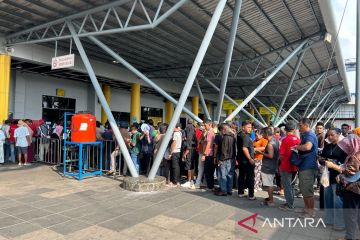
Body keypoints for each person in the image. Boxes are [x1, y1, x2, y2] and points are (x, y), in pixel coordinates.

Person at [326, 134, 360, 239]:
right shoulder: (354, 154)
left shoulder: (356, 155)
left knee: (350, 214)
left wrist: (334, 167)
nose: (345, 149)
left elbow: (350, 172)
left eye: (347, 146)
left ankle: (350, 237)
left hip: (353, 189)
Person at [318, 128, 346, 231]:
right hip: (327, 176)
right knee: (328, 199)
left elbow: (346, 163)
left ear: (339, 134)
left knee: (338, 201)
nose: (329, 137)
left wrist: (334, 163)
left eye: (332, 135)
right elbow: (322, 157)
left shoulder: (344, 147)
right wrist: (321, 160)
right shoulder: (328, 146)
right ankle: (329, 219)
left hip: (338, 177)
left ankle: (340, 223)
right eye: (328, 135)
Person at [294, 118, 318, 217]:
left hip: (308, 167)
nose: (299, 127)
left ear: (306, 125)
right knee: (304, 189)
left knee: (307, 190)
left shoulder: (309, 135)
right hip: (304, 166)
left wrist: (296, 147)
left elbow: (307, 147)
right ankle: (306, 208)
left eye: (300, 125)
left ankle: (311, 212)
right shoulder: (306, 135)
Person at [278, 121, 300, 211]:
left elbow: (281, 155)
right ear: (294, 129)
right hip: (295, 166)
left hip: (286, 166)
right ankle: (290, 202)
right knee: (292, 186)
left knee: (287, 186)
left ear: (285, 130)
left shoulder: (285, 140)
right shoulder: (298, 139)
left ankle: (290, 205)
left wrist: (279, 163)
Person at [260, 127, 280, 206]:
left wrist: (261, 153)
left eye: (263, 133)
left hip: (268, 166)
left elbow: (270, 155)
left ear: (266, 134)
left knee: (269, 184)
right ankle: (270, 198)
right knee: (269, 183)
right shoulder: (275, 140)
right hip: (273, 165)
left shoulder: (270, 144)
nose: (262, 135)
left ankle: (271, 201)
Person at [215, 123, 236, 196]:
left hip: (225, 159)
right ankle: (229, 190)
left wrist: (221, 159)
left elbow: (224, 150)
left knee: (223, 175)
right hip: (232, 158)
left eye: (221, 130)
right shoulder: (233, 136)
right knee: (230, 175)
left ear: (223, 130)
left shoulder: (225, 137)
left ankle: (223, 190)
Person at [237, 120, 256, 200]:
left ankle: (240, 192)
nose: (250, 129)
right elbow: (244, 148)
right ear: (243, 127)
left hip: (241, 159)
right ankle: (251, 195)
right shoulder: (244, 136)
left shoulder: (239, 134)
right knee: (250, 177)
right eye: (248, 127)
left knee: (241, 175)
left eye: (250, 127)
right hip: (246, 160)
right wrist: (250, 159)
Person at [181, 119, 197, 188]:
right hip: (193, 149)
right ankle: (192, 180)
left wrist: (186, 151)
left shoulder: (188, 128)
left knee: (188, 165)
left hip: (189, 149)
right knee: (192, 165)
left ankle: (189, 181)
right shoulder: (194, 128)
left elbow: (189, 140)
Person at [203, 121, 216, 191]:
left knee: (208, 171)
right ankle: (211, 186)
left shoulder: (209, 132)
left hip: (209, 154)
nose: (205, 127)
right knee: (210, 171)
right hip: (211, 153)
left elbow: (208, 144)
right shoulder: (212, 132)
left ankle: (210, 186)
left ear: (210, 125)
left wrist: (204, 154)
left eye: (205, 125)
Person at [195, 123, 206, 188]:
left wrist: (204, 154)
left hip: (203, 153)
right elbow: (199, 141)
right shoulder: (203, 134)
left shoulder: (205, 134)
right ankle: (201, 182)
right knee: (201, 167)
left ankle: (198, 182)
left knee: (200, 167)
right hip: (202, 152)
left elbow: (200, 142)